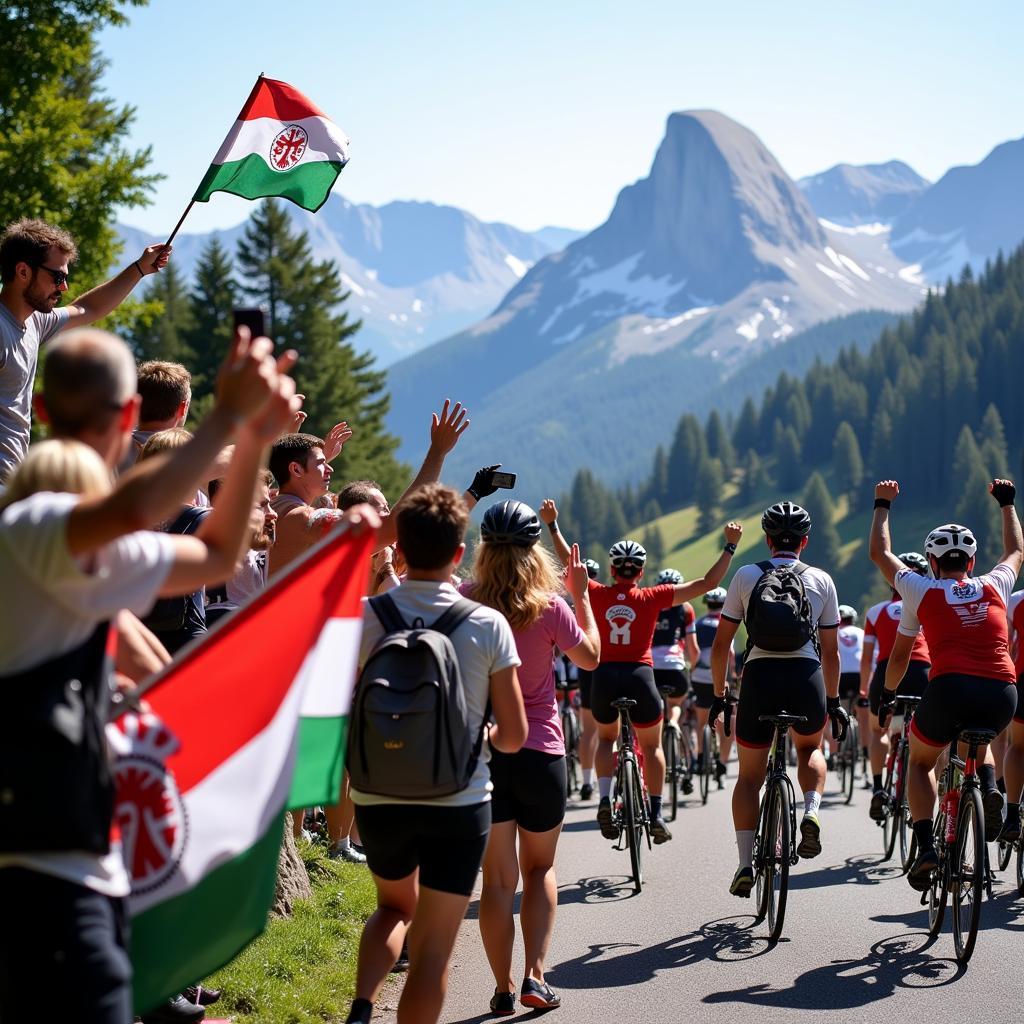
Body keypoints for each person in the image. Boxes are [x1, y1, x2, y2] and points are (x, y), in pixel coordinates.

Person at [0, 326, 301, 1024]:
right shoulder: (39, 524)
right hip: (44, 881)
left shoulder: (67, 556)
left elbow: (221, 555)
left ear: (40, 409)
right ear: (130, 418)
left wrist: (253, 438)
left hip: (72, 867)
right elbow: (145, 515)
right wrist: (232, 421)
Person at [345, 484, 528, 1024]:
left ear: (397, 547)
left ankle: (360, 1007)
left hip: (378, 791)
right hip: (458, 796)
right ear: (457, 553)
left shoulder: (365, 615)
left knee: (392, 908)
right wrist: (482, 737)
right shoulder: (486, 623)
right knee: (434, 950)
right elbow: (514, 735)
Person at [460, 500, 599, 1014]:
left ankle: (500, 988)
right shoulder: (550, 604)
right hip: (541, 750)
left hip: (485, 754)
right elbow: (591, 658)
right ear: (533, 551)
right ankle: (535, 978)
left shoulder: (464, 600)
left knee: (496, 881)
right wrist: (582, 599)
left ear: (484, 550)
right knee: (539, 869)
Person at [542, 502, 742, 843]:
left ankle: (604, 798)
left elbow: (570, 564)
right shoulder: (652, 597)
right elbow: (708, 583)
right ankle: (654, 812)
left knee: (606, 738)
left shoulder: (598, 593)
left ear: (612, 569)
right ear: (640, 571)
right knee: (651, 747)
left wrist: (553, 525)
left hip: (604, 676)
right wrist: (730, 546)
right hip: (640, 675)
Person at [868, 478, 1022, 890]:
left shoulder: (921, 590)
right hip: (1002, 691)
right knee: (981, 738)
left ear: (933, 562)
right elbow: (1016, 551)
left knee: (920, 761)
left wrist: (883, 503)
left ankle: (925, 847)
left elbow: (880, 554)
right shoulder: (995, 584)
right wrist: (1007, 503)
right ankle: (989, 788)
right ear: (971, 561)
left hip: (950, 687)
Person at [710, 501, 847, 898]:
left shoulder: (746, 576)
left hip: (759, 678)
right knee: (809, 750)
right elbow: (833, 652)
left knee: (750, 776)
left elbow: (722, 647)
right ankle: (811, 811)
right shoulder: (822, 579)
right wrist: (834, 701)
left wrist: (721, 696)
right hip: (806, 678)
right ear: (804, 541)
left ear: (768, 540)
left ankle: (743, 863)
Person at [0, 217, 170, 479]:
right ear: (23, 272)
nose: (64, 287)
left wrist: (139, 268)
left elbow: (89, 308)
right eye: (57, 277)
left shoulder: (36, 321)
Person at [861, 554, 932, 821]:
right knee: (929, 742)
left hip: (887, 671)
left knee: (878, 729)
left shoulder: (875, 612)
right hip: (923, 672)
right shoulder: (928, 605)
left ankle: (879, 786)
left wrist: (863, 692)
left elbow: (866, 659)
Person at [650, 568, 699, 740]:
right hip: (675, 666)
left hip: (651, 667)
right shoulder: (686, 609)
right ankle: (674, 722)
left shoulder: (650, 604)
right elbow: (693, 649)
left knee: (650, 710)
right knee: (677, 703)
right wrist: (693, 668)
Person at [691, 587, 735, 777]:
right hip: (720, 678)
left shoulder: (698, 623)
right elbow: (730, 654)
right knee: (726, 722)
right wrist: (732, 675)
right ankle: (722, 762)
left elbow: (693, 651)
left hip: (699, 676)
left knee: (701, 721)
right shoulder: (724, 624)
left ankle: (701, 756)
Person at [1002, 587, 1024, 842]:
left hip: (1022, 678)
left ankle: (1012, 814)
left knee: (1017, 746)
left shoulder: (1015, 600)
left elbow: (1005, 645)